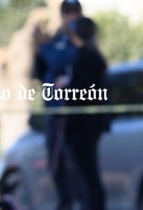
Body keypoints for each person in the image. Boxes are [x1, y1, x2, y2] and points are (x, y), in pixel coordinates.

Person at [33, 0, 82, 210]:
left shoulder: (81, 38)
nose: (71, 16)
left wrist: (45, 50)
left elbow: (61, 60)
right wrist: (39, 48)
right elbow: (41, 71)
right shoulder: (54, 40)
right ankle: (65, 203)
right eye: (67, 12)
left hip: (73, 116)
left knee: (76, 166)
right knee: (56, 166)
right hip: (53, 114)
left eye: (74, 11)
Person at [62, 16, 108, 210]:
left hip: (84, 127)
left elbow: (83, 92)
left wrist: (65, 87)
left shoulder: (87, 58)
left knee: (87, 178)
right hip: (85, 126)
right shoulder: (89, 56)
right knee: (86, 176)